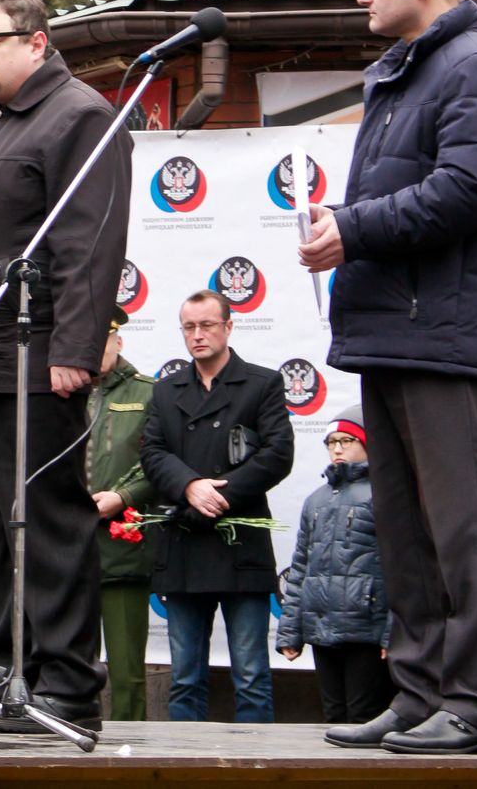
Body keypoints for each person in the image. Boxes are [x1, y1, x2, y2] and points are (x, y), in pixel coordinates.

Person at [298, 0, 477, 754]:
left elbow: (470, 188)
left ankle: (474, 707)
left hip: (442, 332)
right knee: (404, 531)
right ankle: (420, 692)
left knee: (461, 529)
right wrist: (347, 233)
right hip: (392, 332)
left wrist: (351, 229)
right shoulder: (405, 76)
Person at [0, 0, 132, 732]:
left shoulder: (80, 116)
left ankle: (67, 684)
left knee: (46, 524)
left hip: (35, 362)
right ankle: (1, 672)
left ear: (37, 42)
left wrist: (74, 348)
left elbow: (90, 244)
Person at [140, 289, 294, 723]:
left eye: (207, 325)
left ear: (228, 326)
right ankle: (182, 769)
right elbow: (152, 452)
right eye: (189, 327)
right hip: (184, 545)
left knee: (250, 674)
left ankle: (259, 769)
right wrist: (190, 486)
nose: (198, 335)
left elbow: (278, 454)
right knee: (185, 676)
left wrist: (220, 493)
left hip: (240, 543)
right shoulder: (167, 390)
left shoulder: (262, 383)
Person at [276, 404, 393, 724]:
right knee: (332, 716)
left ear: (367, 443)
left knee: (364, 716)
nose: (337, 449)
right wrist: (290, 632)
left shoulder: (386, 495)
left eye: (347, 441)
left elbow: (401, 570)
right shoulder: (316, 499)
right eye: (331, 442)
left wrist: (393, 632)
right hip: (322, 627)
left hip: (365, 629)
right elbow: (299, 568)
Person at [87, 307, 155, 721]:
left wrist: (122, 495)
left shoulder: (149, 392)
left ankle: (136, 753)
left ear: (119, 340)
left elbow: (158, 461)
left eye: (104, 339)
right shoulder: (61, 392)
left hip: (123, 547)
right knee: (74, 670)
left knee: (128, 672)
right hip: (71, 550)